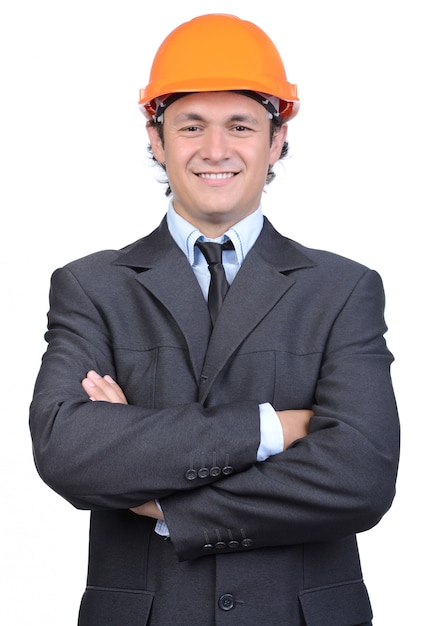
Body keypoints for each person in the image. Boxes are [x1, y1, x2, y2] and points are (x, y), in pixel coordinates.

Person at [29, 13, 400, 626]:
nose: (216, 150)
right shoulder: (90, 288)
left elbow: (359, 478)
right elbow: (68, 452)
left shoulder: (344, 289)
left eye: (241, 125)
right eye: (191, 125)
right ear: (157, 137)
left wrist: (163, 497)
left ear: (277, 140)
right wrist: (275, 430)